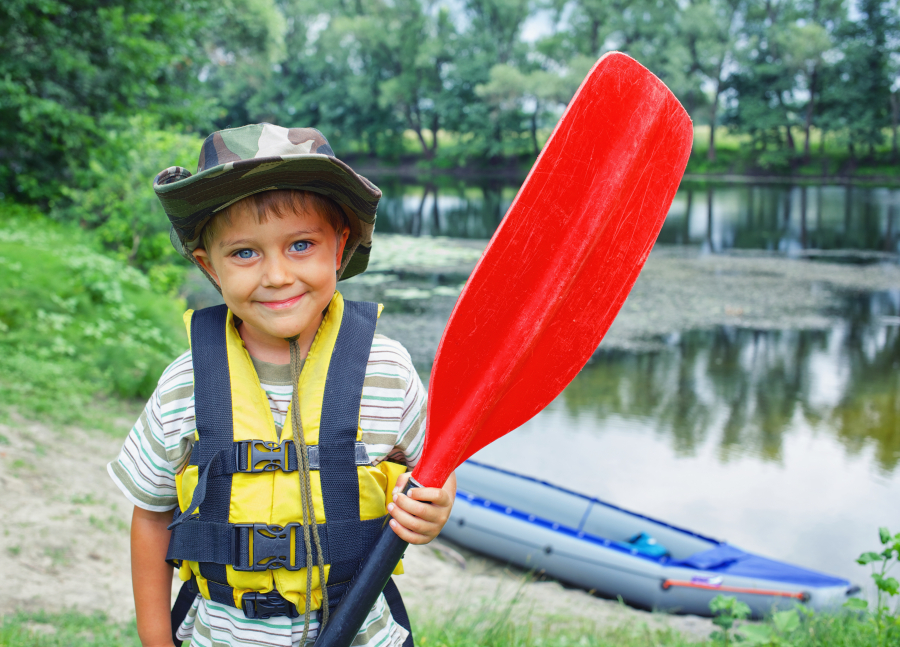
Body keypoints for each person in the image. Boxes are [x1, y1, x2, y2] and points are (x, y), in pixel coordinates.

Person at [107, 123, 456, 647]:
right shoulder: (186, 382)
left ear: (339, 247)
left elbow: (433, 475)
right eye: (244, 253)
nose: (275, 275)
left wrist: (433, 510)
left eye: (300, 245)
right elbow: (152, 514)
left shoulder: (388, 370)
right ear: (209, 267)